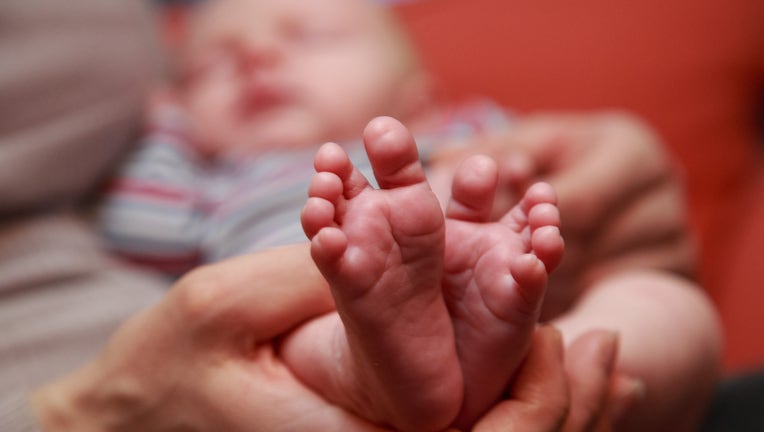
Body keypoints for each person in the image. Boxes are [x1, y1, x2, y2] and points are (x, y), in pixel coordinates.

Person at [93, 0, 721, 430]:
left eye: (307, 35)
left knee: (665, 305)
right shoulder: (214, 179)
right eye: (211, 65)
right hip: (323, 343)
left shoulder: (460, 132)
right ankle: (379, 372)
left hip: (527, 325)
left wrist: (522, 185)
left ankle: (566, 377)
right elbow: (138, 230)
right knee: (290, 336)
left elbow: (545, 199)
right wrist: (169, 128)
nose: (256, 55)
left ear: (417, 100)